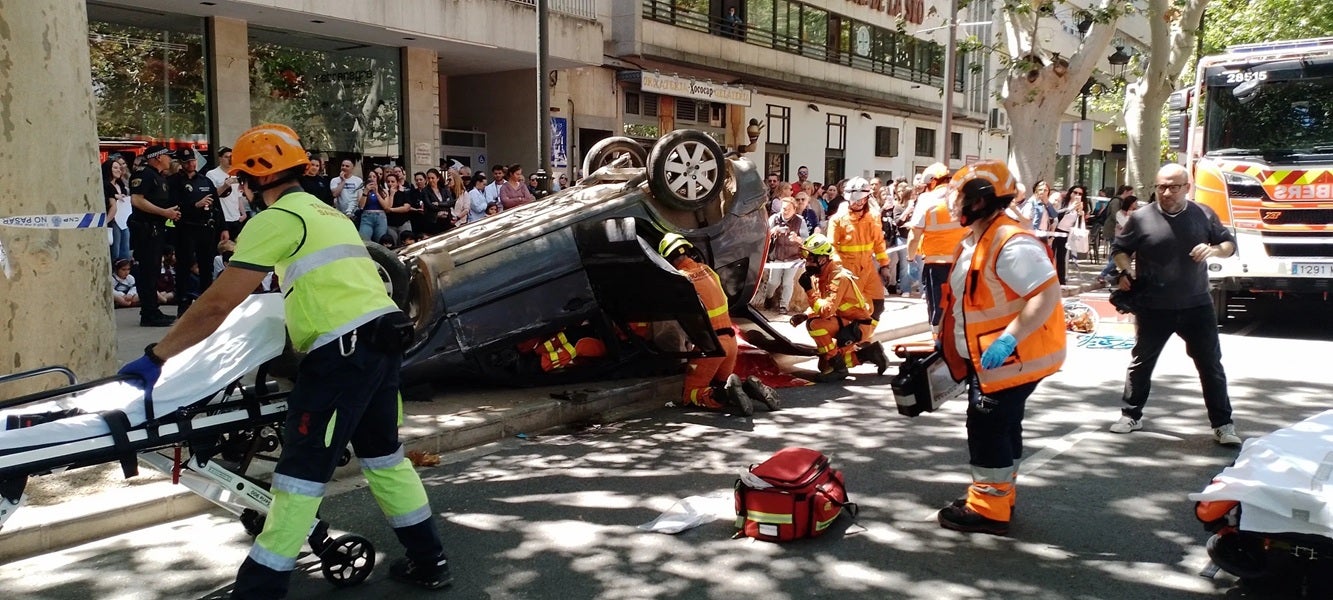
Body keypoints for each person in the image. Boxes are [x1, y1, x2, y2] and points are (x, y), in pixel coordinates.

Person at [117, 124, 450, 598]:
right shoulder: (326, 212)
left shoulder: (275, 220)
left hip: (342, 354)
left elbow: (216, 303)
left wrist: (156, 356)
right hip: (380, 343)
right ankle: (429, 560)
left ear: (254, 179)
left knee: (300, 475)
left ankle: (260, 589)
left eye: (241, 180)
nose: (241, 190)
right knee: (385, 459)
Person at [935, 160, 1066, 536]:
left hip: (1008, 359)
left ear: (979, 201)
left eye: (959, 195)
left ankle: (989, 507)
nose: (953, 202)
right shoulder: (983, 236)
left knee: (988, 427)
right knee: (1003, 426)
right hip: (994, 359)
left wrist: (1009, 337)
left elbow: (1045, 295)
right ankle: (998, 494)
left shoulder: (1011, 242)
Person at [1107, 163, 1240, 446]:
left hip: (1196, 305)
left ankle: (1223, 424)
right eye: (1161, 187)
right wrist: (1125, 270)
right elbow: (1120, 249)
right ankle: (1131, 414)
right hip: (1153, 305)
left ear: (1187, 187)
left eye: (1173, 187)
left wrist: (1213, 249)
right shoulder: (1141, 217)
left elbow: (1228, 245)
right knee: (1141, 362)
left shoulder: (1203, 213)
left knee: (1210, 365)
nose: (1166, 193)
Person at [658, 234, 778, 414]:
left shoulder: (680, 281)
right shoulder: (707, 270)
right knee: (720, 384)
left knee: (692, 394)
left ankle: (726, 394)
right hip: (730, 342)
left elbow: (673, 317)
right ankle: (747, 388)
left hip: (711, 347)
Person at [789, 233, 888, 381]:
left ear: (822, 259)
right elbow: (823, 302)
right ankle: (869, 354)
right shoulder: (820, 275)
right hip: (844, 321)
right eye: (806, 259)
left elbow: (826, 311)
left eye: (810, 259)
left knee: (815, 325)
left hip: (857, 326)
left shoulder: (837, 277)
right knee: (823, 366)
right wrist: (805, 315)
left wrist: (809, 291)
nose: (807, 264)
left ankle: (838, 368)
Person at [827, 176, 893, 336]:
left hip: (868, 268)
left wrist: (884, 265)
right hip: (847, 271)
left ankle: (863, 337)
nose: (858, 203)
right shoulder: (837, 220)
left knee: (878, 306)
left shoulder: (873, 217)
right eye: (854, 200)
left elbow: (878, 243)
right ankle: (850, 343)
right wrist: (839, 270)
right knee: (851, 311)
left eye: (861, 199)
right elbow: (832, 248)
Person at [907, 163, 965, 332]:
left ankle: (939, 345)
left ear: (932, 182)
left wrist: (910, 259)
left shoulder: (927, 200)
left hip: (936, 264)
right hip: (962, 262)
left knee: (937, 309)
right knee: (960, 306)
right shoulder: (962, 198)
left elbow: (914, 235)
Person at [128, 145, 181, 327]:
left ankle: (153, 309)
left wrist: (169, 213)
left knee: (153, 271)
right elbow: (137, 199)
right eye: (168, 156)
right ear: (158, 157)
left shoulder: (159, 177)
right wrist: (163, 212)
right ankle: (148, 313)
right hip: (145, 229)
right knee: (148, 272)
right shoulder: (144, 174)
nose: (170, 160)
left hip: (156, 229)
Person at [169, 148, 221, 315]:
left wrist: (224, 227)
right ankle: (183, 301)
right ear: (181, 164)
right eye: (187, 162)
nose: (191, 164)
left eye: (193, 161)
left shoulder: (205, 181)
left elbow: (217, 205)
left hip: (205, 227)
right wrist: (194, 205)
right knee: (184, 265)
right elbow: (173, 204)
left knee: (206, 265)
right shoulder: (174, 182)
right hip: (186, 227)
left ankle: (206, 300)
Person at [760, 197, 806, 314]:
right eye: (782, 208)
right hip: (777, 257)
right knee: (773, 282)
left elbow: (806, 239)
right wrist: (773, 231)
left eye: (787, 209)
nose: (784, 211)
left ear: (794, 209)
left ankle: (783, 306)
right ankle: (769, 297)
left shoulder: (800, 221)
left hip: (793, 257)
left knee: (787, 282)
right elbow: (764, 236)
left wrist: (797, 239)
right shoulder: (774, 219)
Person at [208, 147, 250, 240]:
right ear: (220, 158)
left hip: (236, 217)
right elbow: (212, 196)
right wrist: (224, 186)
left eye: (231, 157)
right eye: (226, 157)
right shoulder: (212, 174)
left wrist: (243, 213)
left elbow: (238, 196)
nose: (229, 159)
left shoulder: (235, 173)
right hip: (222, 219)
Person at [1051, 185, 1087, 285]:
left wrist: (1081, 214)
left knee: (1061, 257)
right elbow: (1056, 214)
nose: (1077, 195)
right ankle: (1049, 279)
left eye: (1080, 194)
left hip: (1066, 233)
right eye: (1075, 192)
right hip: (1055, 230)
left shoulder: (1080, 206)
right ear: (1070, 193)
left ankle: (1061, 280)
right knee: (1051, 254)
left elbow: (1079, 224)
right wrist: (1070, 208)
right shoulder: (1064, 203)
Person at [103, 157, 133, 262]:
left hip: (123, 220)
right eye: (115, 168)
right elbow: (111, 204)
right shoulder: (105, 185)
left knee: (125, 249)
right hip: (113, 221)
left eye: (119, 168)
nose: (118, 170)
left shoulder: (121, 185)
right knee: (115, 250)